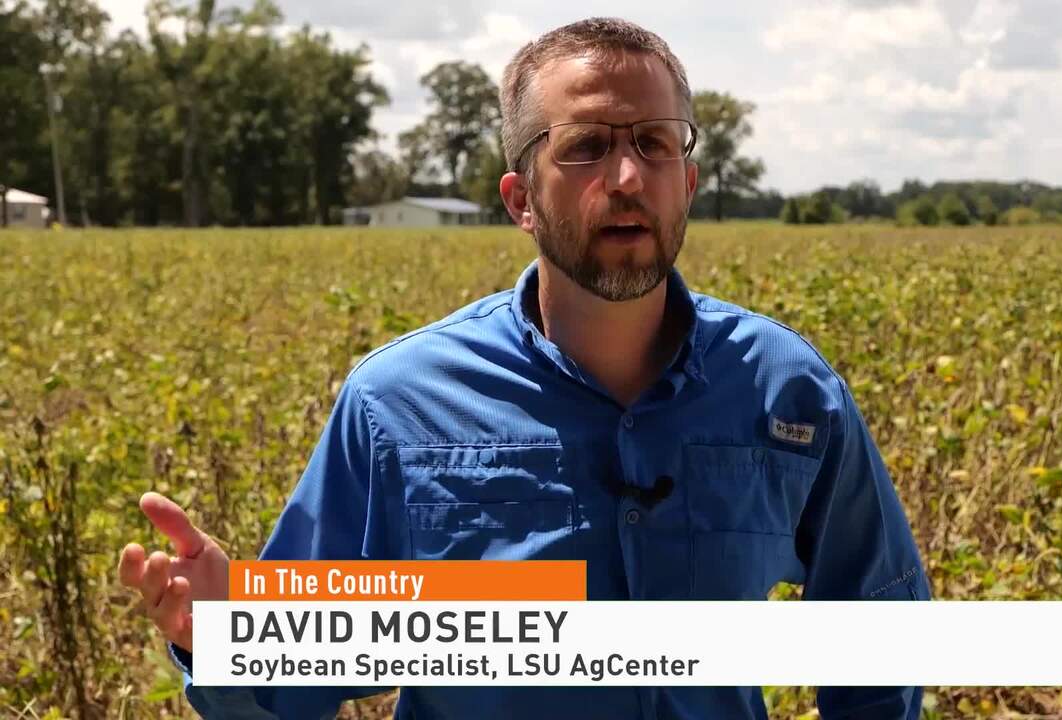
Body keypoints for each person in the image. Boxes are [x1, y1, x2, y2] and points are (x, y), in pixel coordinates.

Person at [117, 16, 931, 720]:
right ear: (520, 200)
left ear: (686, 182)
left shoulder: (787, 392)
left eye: (654, 144)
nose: (625, 178)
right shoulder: (398, 407)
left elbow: (880, 634)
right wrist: (232, 638)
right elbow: (300, 686)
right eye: (583, 149)